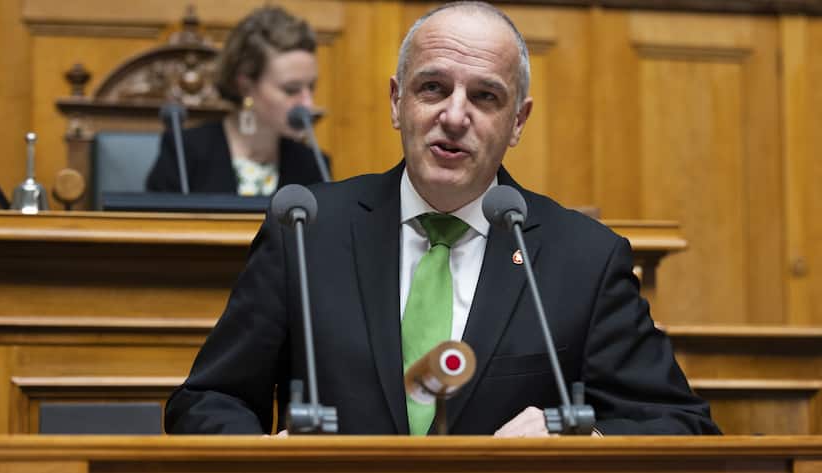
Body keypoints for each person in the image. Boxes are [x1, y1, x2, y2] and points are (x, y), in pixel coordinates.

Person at [165, 1, 721, 436]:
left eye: (485, 96)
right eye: (433, 87)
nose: (454, 116)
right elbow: (207, 401)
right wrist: (261, 456)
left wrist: (576, 434)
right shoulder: (308, 232)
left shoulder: (585, 260)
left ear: (518, 121)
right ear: (396, 102)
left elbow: (683, 425)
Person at [146, 6, 329, 196]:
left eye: (311, 87)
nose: (308, 104)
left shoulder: (314, 164)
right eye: (291, 90)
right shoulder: (184, 153)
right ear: (245, 86)